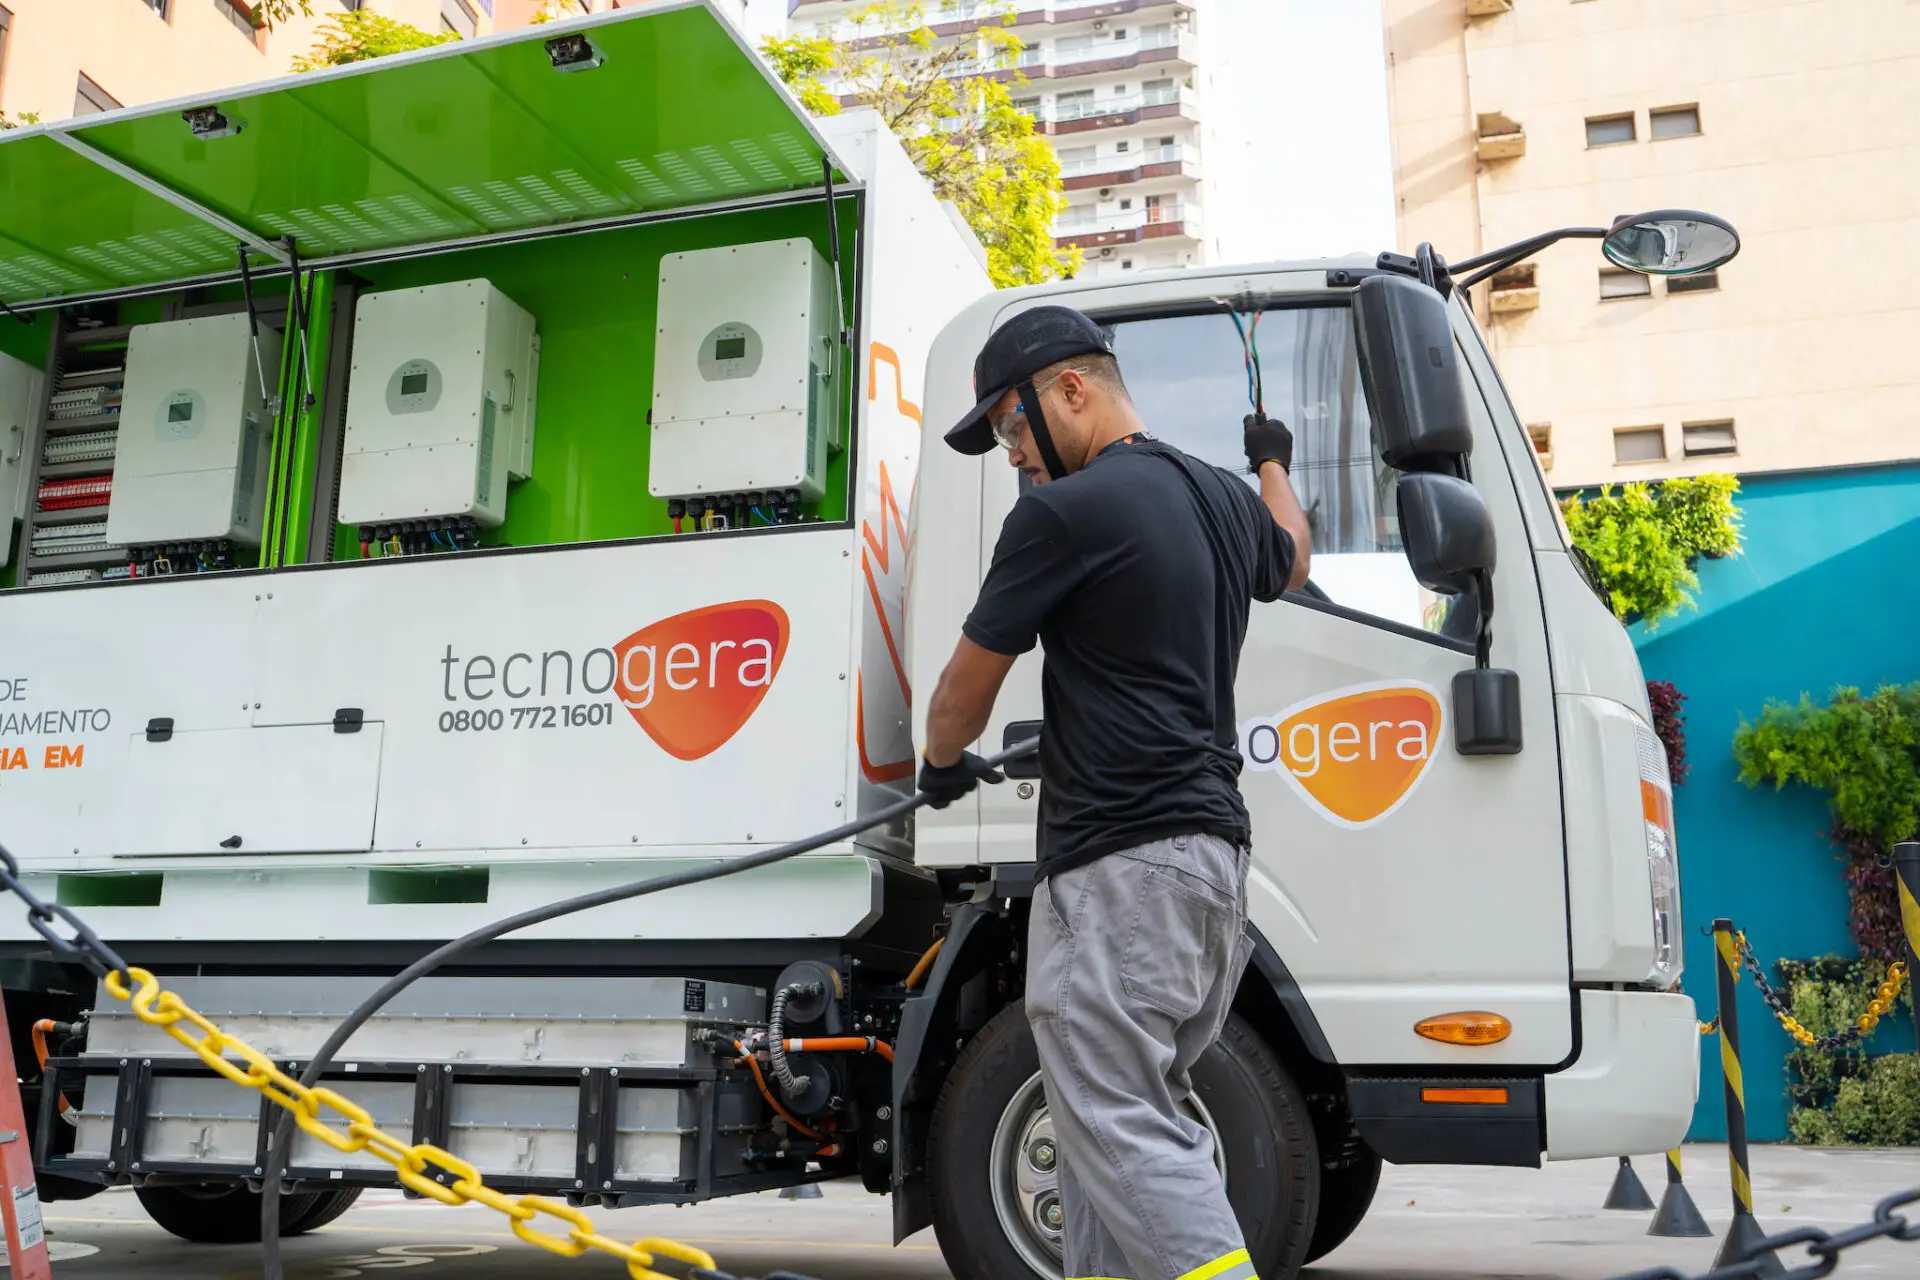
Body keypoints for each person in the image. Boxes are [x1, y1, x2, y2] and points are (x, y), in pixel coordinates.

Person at [917, 304, 1312, 1280]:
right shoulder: (1222, 499)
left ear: (1072, 390)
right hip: (1210, 872)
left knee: (1115, 1119)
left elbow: (966, 687)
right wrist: (1271, 460)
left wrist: (938, 762)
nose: (1012, 453)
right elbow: (1292, 554)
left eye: (1011, 425)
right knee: (1111, 1133)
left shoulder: (1061, 513)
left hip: (1119, 869)